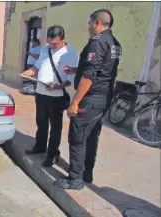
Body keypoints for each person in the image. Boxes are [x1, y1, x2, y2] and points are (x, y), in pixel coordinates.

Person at [54, 9, 122, 190]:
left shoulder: (97, 43)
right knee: (91, 136)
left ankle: (75, 179)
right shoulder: (114, 43)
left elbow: (91, 76)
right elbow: (102, 70)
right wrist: (76, 70)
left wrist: (75, 102)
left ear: (97, 22)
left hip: (90, 98)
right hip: (104, 98)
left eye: (90, 22)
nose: (88, 26)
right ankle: (86, 174)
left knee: (77, 137)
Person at [22, 25, 79, 167]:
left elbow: (71, 79)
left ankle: (52, 154)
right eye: (49, 42)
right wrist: (27, 73)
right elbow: (37, 67)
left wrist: (58, 86)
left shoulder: (71, 53)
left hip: (57, 96)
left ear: (63, 39)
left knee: (55, 127)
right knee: (41, 122)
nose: (51, 46)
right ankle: (40, 146)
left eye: (55, 44)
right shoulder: (45, 48)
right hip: (41, 93)